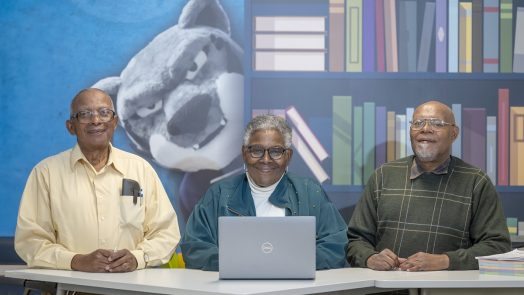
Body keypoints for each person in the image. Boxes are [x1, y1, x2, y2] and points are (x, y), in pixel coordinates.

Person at [15, 88, 181, 273]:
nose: (96, 120)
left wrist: (138, 257)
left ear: (115, 122)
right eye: (85, 114)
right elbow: (29, 242)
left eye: (104, 113)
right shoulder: (46, 173)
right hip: (70, 290)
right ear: (71, 126)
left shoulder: (140, 169)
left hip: (133, 288)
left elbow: (167, 233)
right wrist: (76, 261)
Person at [346, 100, 511, 271]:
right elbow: (356, 240)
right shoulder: (383, 176)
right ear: (410, 131)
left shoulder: (476, 182)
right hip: (386, 289)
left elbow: (497, 247)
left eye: (437, 123)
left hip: (446, 291)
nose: (425, 129)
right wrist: (370, 258)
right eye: (418, 123)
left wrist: (446, 261)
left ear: (453, 133)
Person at [180, 114, 348, 270]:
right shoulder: (217, 195)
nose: (266, 160)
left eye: (275, 151)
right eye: (257, 151)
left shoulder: (310, 192)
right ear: (245, 154)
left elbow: (336, 245)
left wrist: (291, 263)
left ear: (288, 155)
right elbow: (195, 248)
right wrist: (240, 264)